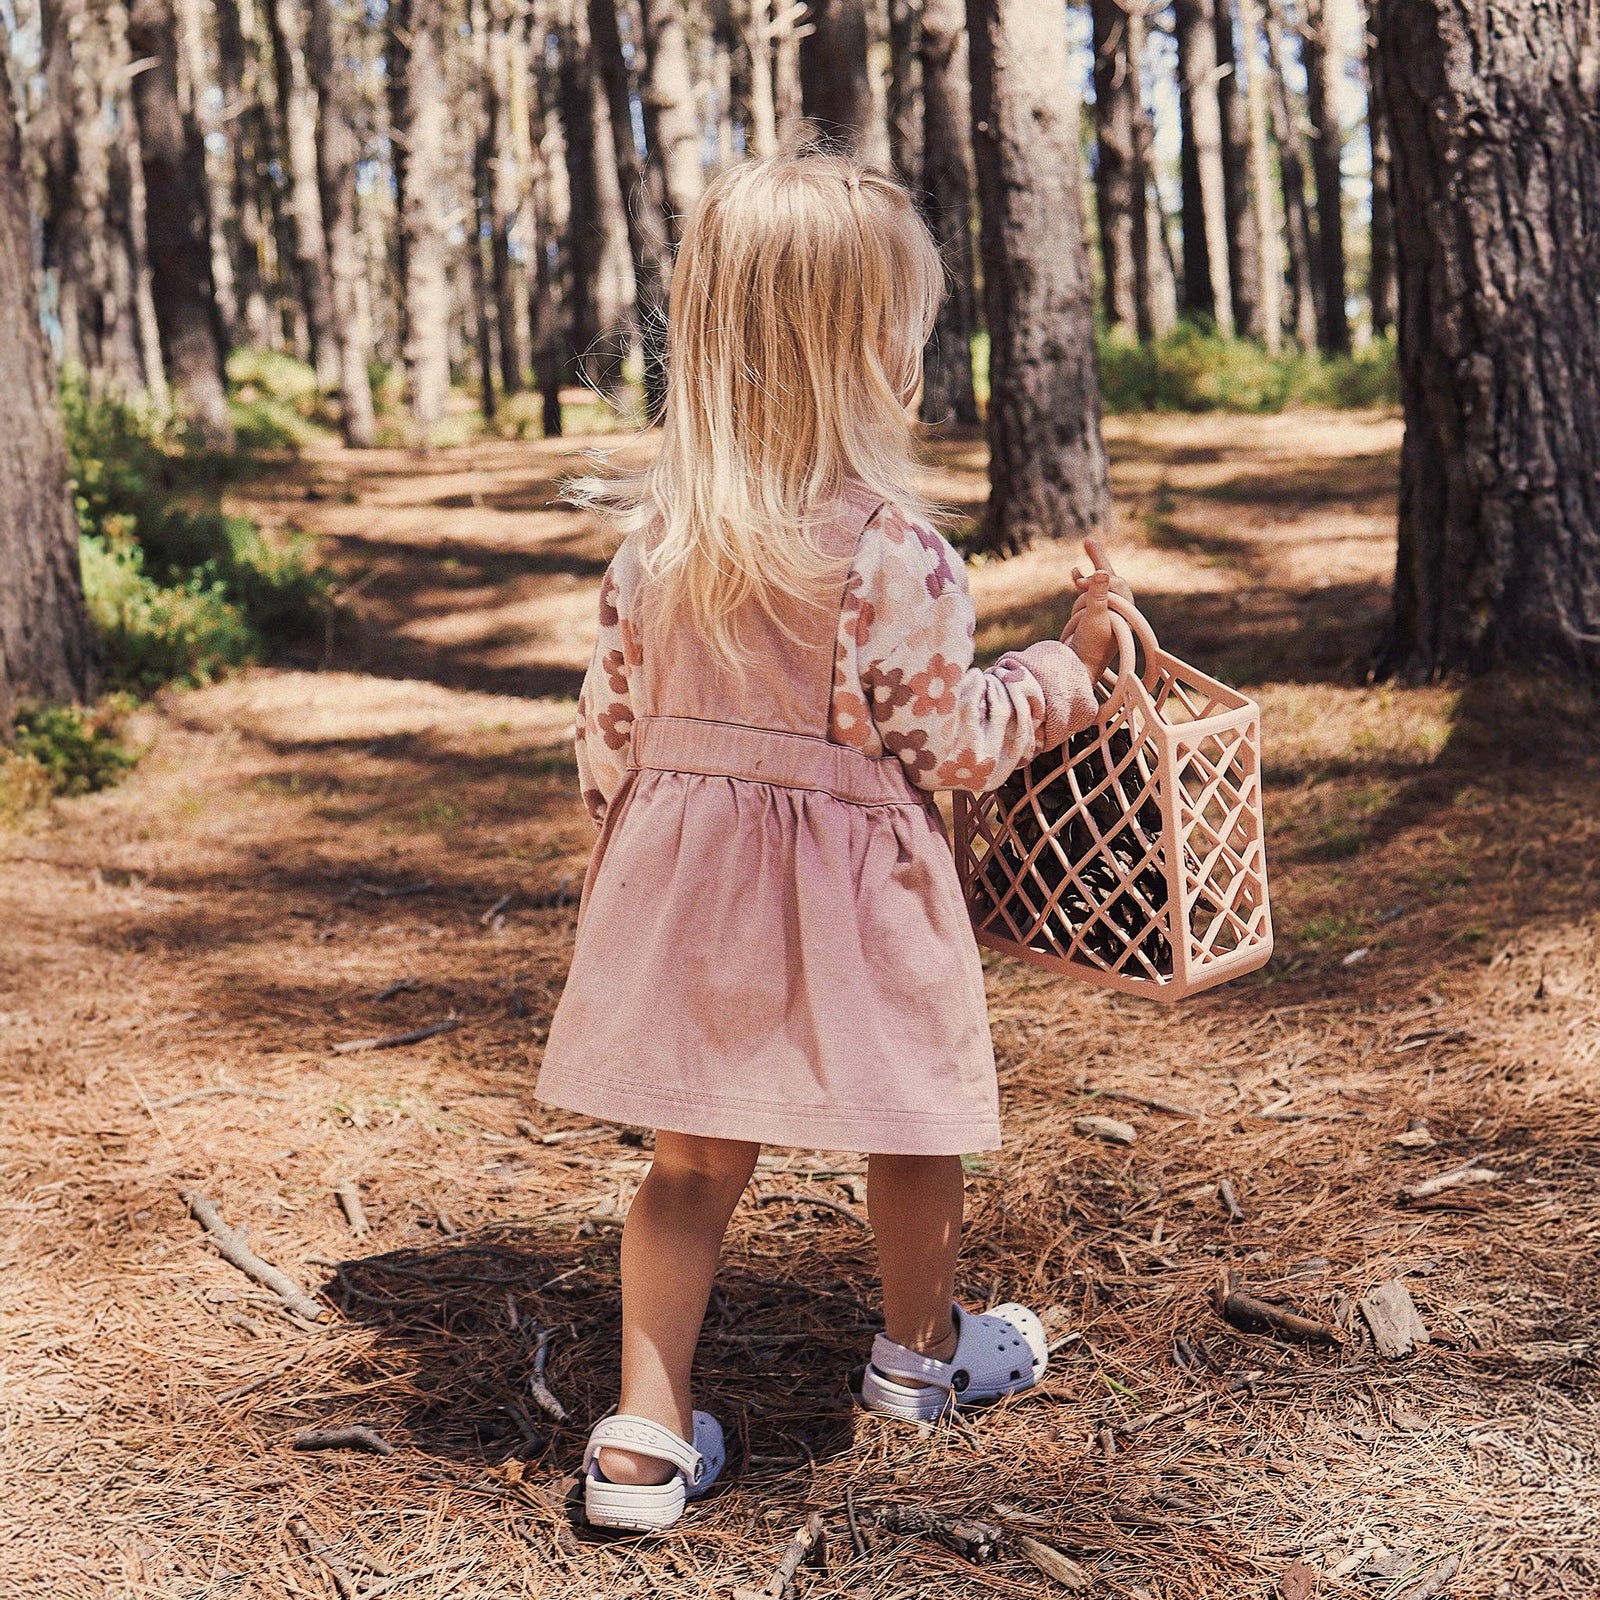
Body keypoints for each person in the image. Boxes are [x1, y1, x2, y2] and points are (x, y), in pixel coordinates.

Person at [536, 152, 1133, 1533]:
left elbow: (607, 741)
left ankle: (642, 1439)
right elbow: (955, 742)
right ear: (868, 354)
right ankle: (919, 1360)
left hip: (690, 901)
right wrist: (1065, 669)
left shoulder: (657, 549)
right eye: (906, 327)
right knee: (912, 1130)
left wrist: (643, 860)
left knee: (689, 1168)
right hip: (861, 917)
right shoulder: (893, 551)